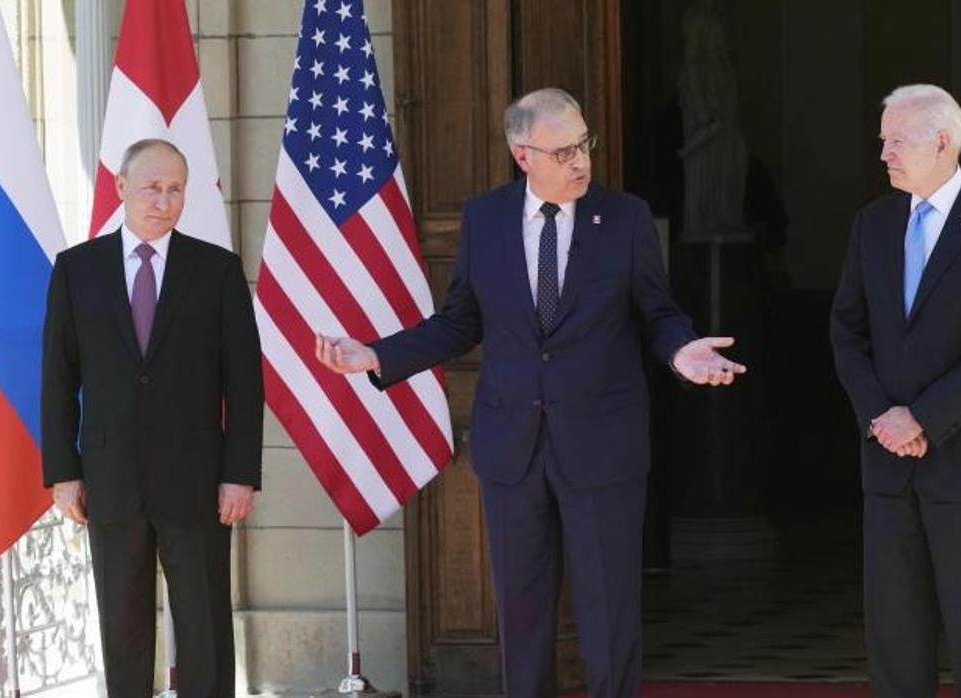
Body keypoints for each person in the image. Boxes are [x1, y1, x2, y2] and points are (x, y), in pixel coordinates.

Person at [315, 87, 745, 698]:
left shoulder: (624, 219)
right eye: (564, 150)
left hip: (602, 446)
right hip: (513, 444)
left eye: (584, 144)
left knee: (609, 615)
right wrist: (378, 354)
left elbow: (657, 313)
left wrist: (682, 351)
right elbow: (460, 321)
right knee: (522, 615)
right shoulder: (485, 219)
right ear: (524, 155)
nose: (581, 161)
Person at [829, 84, 961, 697]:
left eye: (897, 140)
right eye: (883, 141)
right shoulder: (872, 224)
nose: (885, 154)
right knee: (894, 638)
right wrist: (879, 417)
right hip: (888, 467)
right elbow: (846, 331)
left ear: (942, 141)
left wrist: (920, 417)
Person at [41, 138, 263, 698]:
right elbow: (58, 379)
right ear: (120, 188)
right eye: (152, 188)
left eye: (175, 190)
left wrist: (240, 473)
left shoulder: (216, 270)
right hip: (110, 480)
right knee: (122, 628)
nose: (164, 201)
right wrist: (63, 473)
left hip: (198, 482)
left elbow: (244, 380)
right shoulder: (76, 271)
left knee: (205, 627)